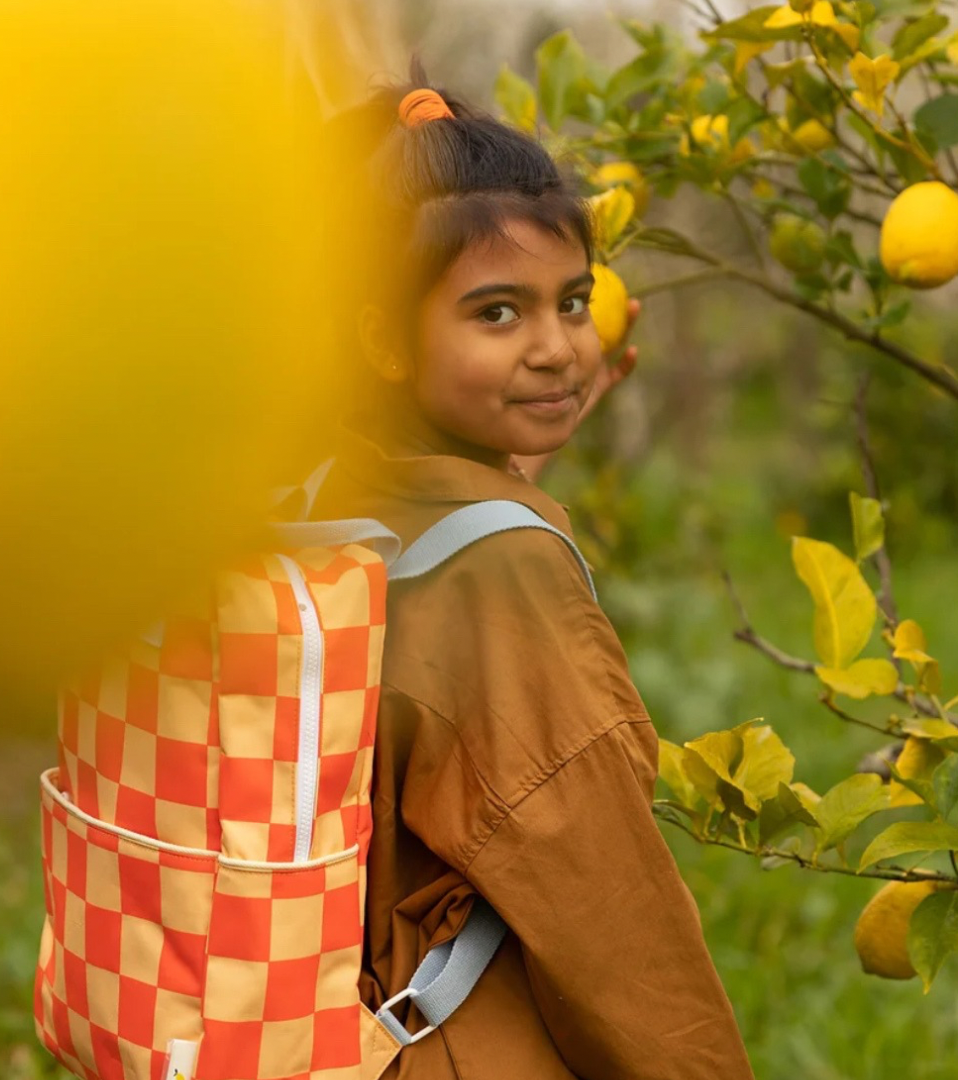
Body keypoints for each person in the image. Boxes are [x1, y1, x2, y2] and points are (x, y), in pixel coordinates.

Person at [307, 66, 758, 1079]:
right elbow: (610, 919)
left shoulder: (327, 491)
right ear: (380, 337)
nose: (561, 350)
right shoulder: (503, 571)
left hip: (325, 1030)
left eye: (573, 301)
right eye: (499, 314)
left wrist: (515, 468)